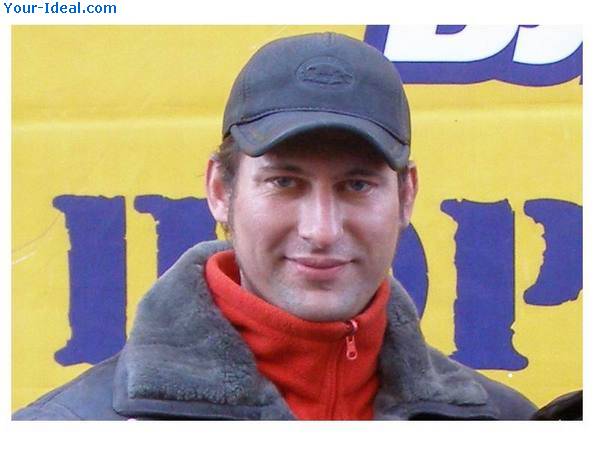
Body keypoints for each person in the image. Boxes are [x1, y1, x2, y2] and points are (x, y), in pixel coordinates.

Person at [13, 32, 536, 420]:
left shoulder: (507, 424)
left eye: (357, 185)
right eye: (285, 182)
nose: (322, 230)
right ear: (221, 190)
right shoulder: (68, 427)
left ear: (406, 196)